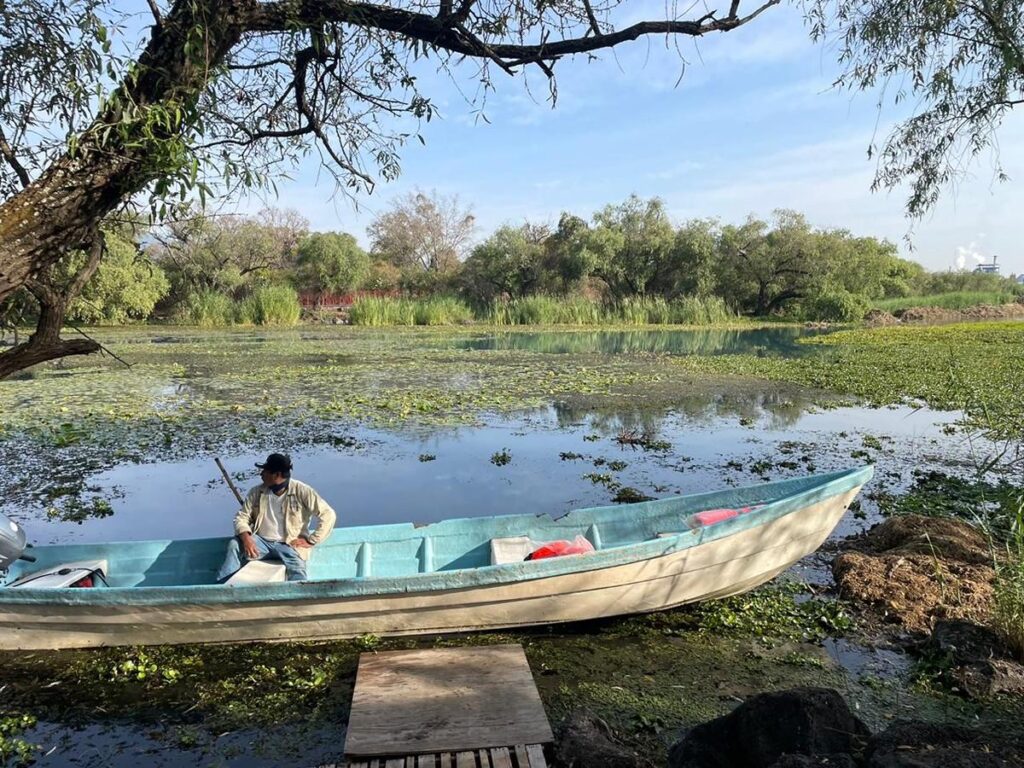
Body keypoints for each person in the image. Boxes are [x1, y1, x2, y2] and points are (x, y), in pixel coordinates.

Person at [217, 453, 337, 583]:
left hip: (290, 544)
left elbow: (328, 514)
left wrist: (312, 540)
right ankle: (222, 586)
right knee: (234, 545)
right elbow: (242, 517)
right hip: (262, 543)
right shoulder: (256, 492)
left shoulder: (302, 491)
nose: (261, 474)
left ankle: (297, 598)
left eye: (265, 471)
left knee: (298, 571)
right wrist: (246, 538)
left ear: (277, 474)